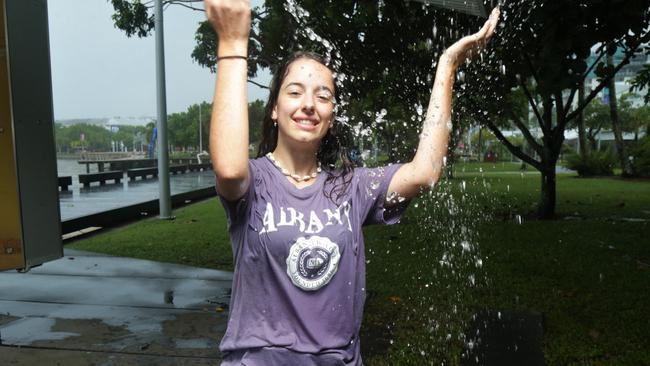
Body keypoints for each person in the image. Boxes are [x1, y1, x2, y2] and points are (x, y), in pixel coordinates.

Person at [204, 1, 500, 365]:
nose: (309, 104)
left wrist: (447, 66)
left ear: (331, 116)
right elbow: (229, 170)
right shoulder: (253, 182)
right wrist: (233, 44)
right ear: (274, 109)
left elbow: (425, 172)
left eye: (323, 95)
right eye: (295, 92)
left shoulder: (352, 187)